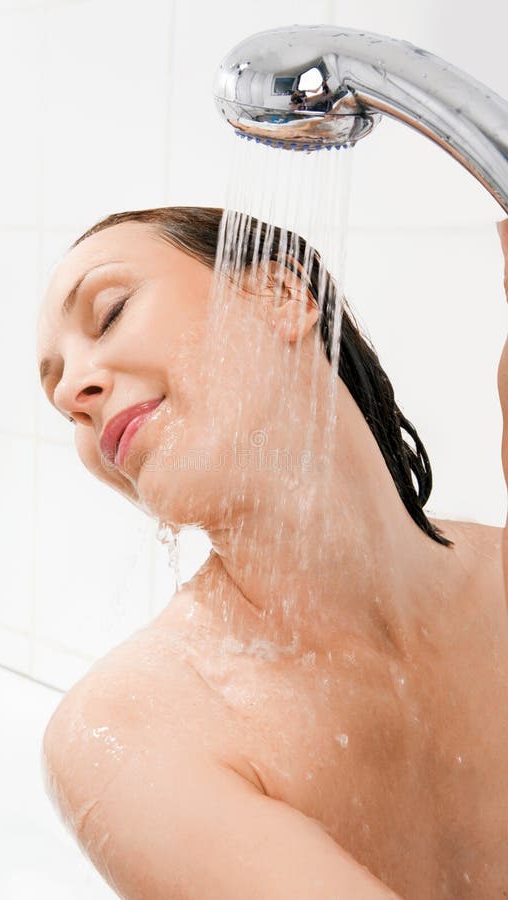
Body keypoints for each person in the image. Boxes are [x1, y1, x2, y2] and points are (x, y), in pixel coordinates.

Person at [36, 207, 508, 899]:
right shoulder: (133, 728)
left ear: (283, 296)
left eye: (110, 313)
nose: (74, 390)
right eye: (57, 394)